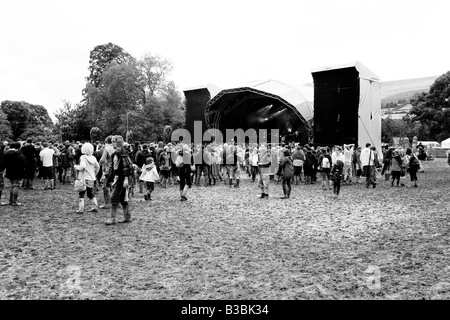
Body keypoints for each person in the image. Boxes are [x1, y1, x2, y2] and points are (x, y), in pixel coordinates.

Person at [105, 136, 134, 225]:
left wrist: (125, 179)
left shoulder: (123, 154)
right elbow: (113, 167)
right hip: (118, 178)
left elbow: (128, 167)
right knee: (122, 198)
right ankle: (127, 217)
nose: (112, 143)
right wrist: (109, 177)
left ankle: (112, 218)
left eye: (114, 142)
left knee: (114, 198)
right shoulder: (116, 154)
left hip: (122, 179)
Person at [74, 143, 100, 214]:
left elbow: (82, 166)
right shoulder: (93, 158)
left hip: (84, 177)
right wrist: (95, 173)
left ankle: (81, 209)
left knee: (81, 193)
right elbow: (97, 166)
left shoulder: (83, 157)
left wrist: (76, 167)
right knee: (90, 193)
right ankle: (95, 207)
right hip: (91, 178)